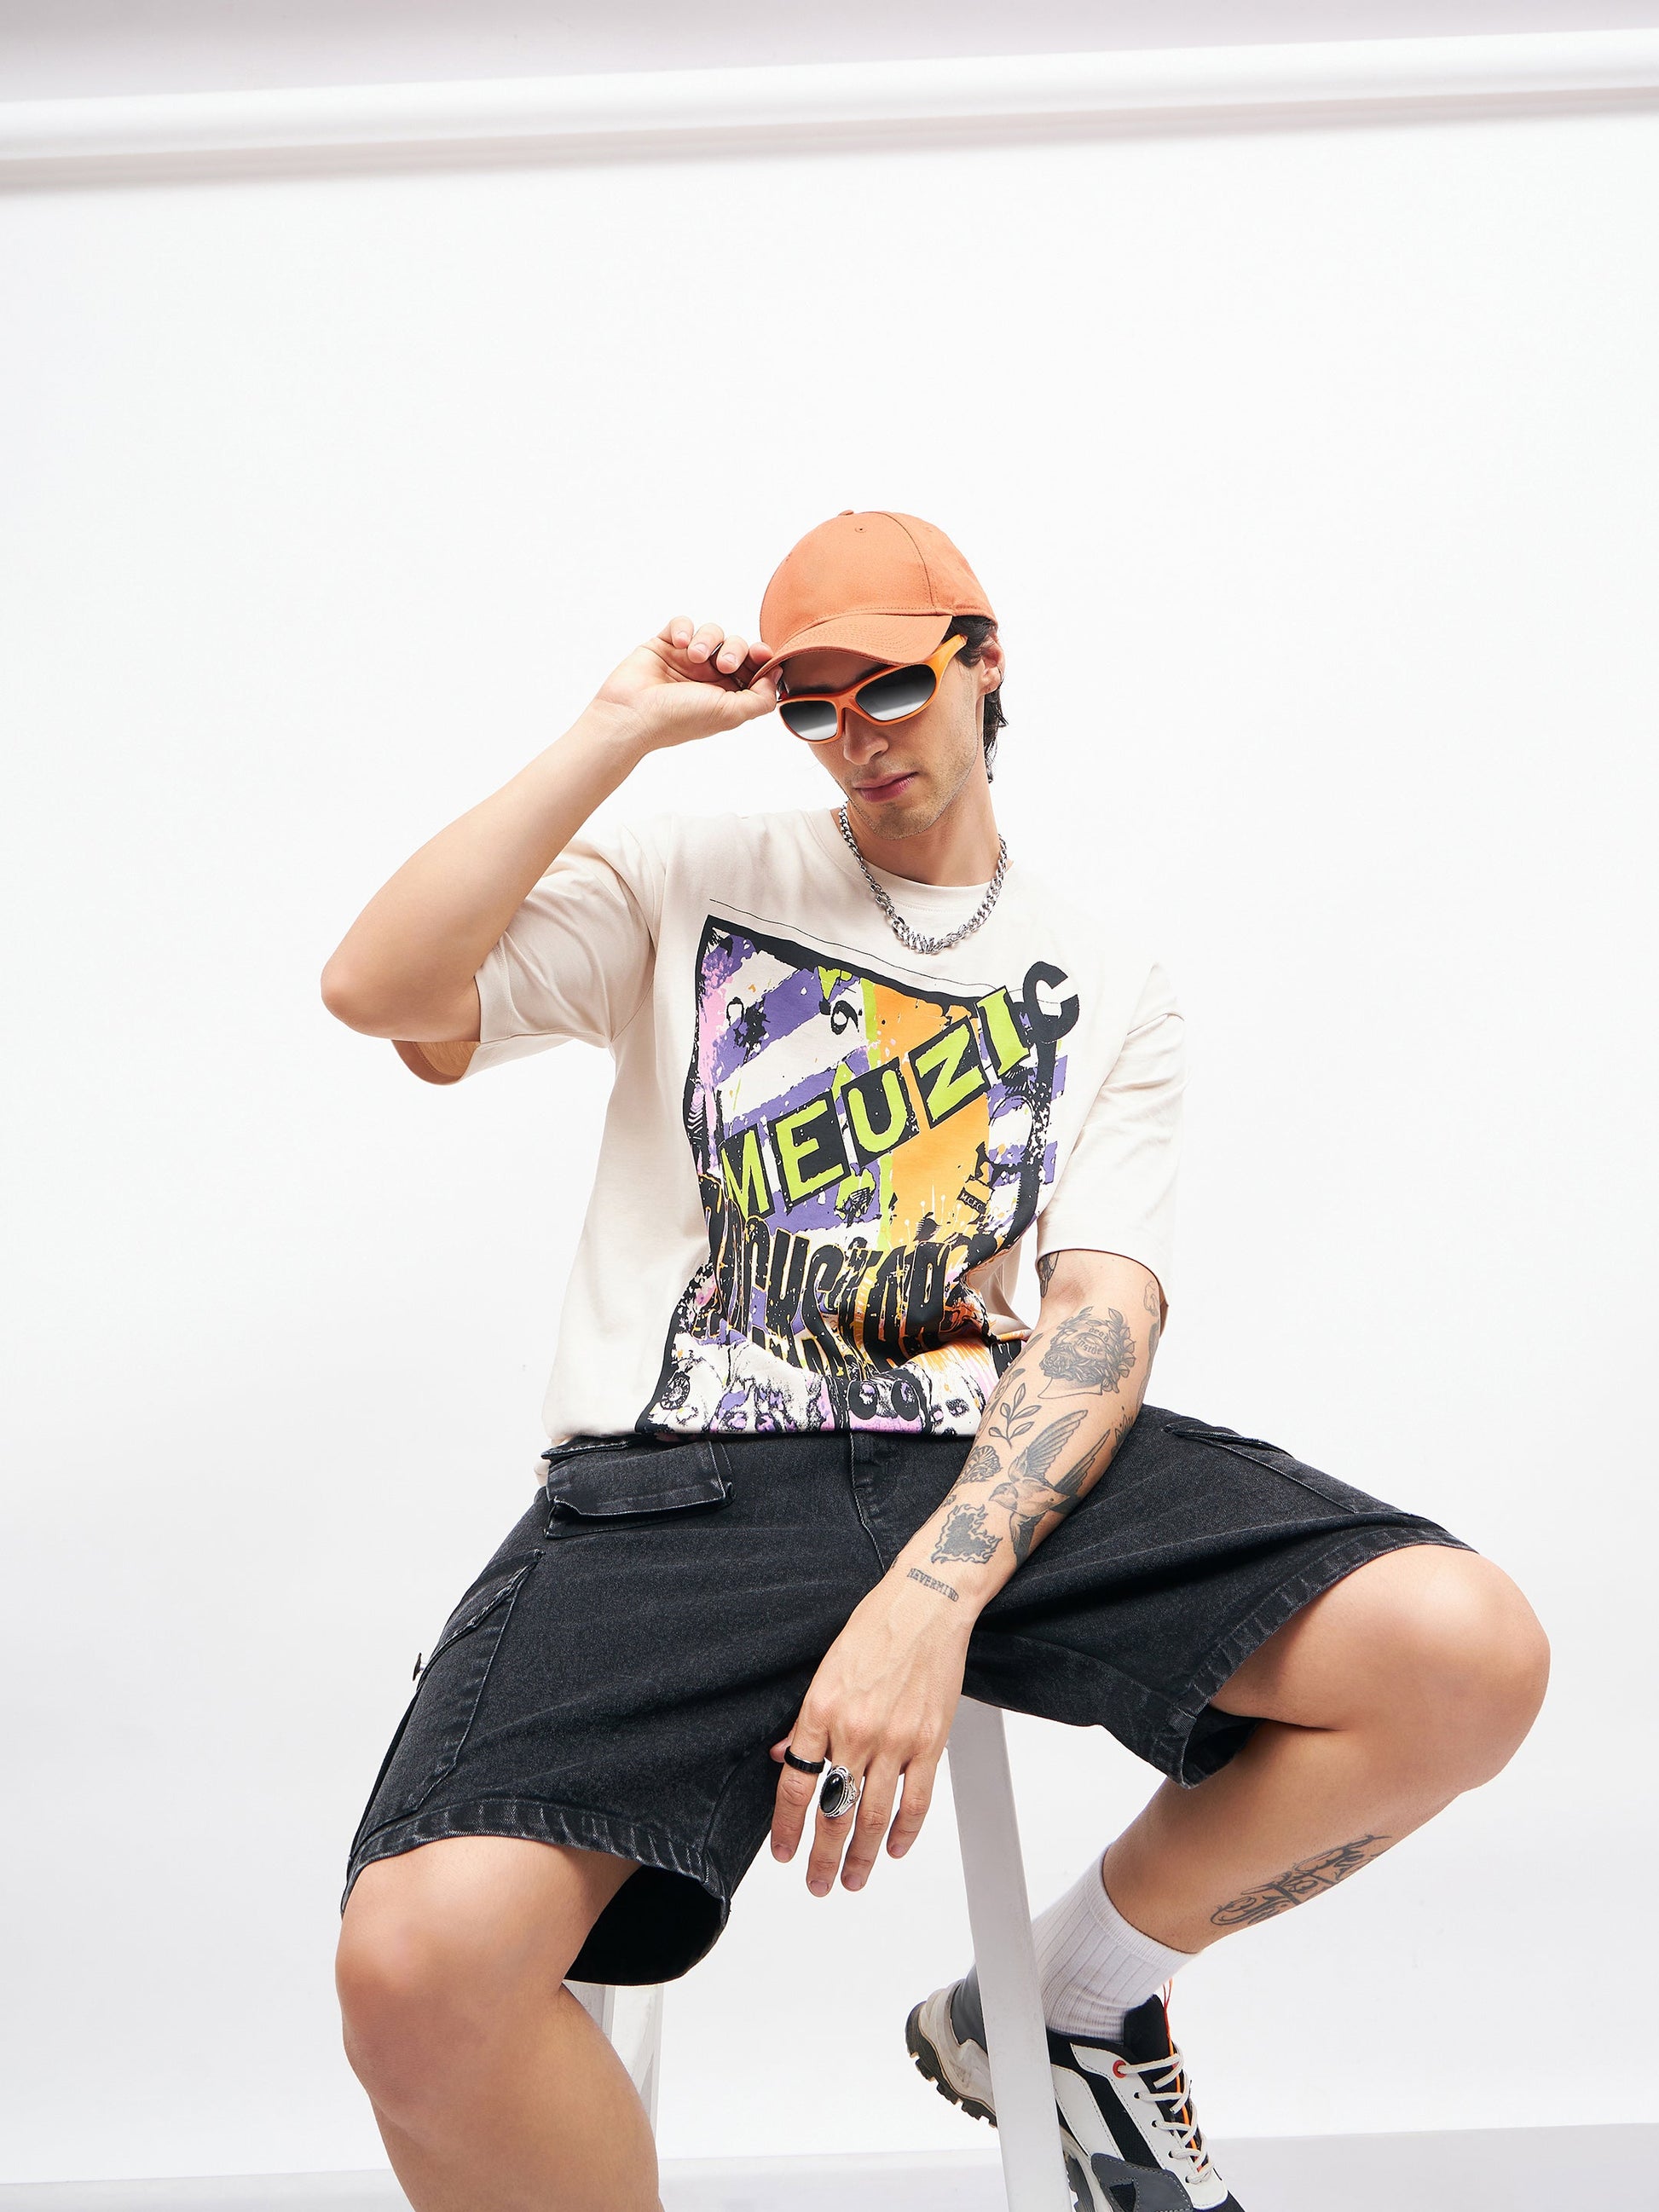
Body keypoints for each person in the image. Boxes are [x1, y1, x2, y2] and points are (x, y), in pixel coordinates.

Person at [322, 510, 1549, 2212]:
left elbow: (1101, 1307)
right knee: (419, 1964)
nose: (858, 735)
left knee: (1459, 1652)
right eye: (812, 706)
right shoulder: (683, 875)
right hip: (680, 1479)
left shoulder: (1106, 977)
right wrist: (615, 730)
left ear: (983, 665)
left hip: (978, 1452)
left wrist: (931, 1592)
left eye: (891, 686)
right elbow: (378, 986)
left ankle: (1073, 1997)